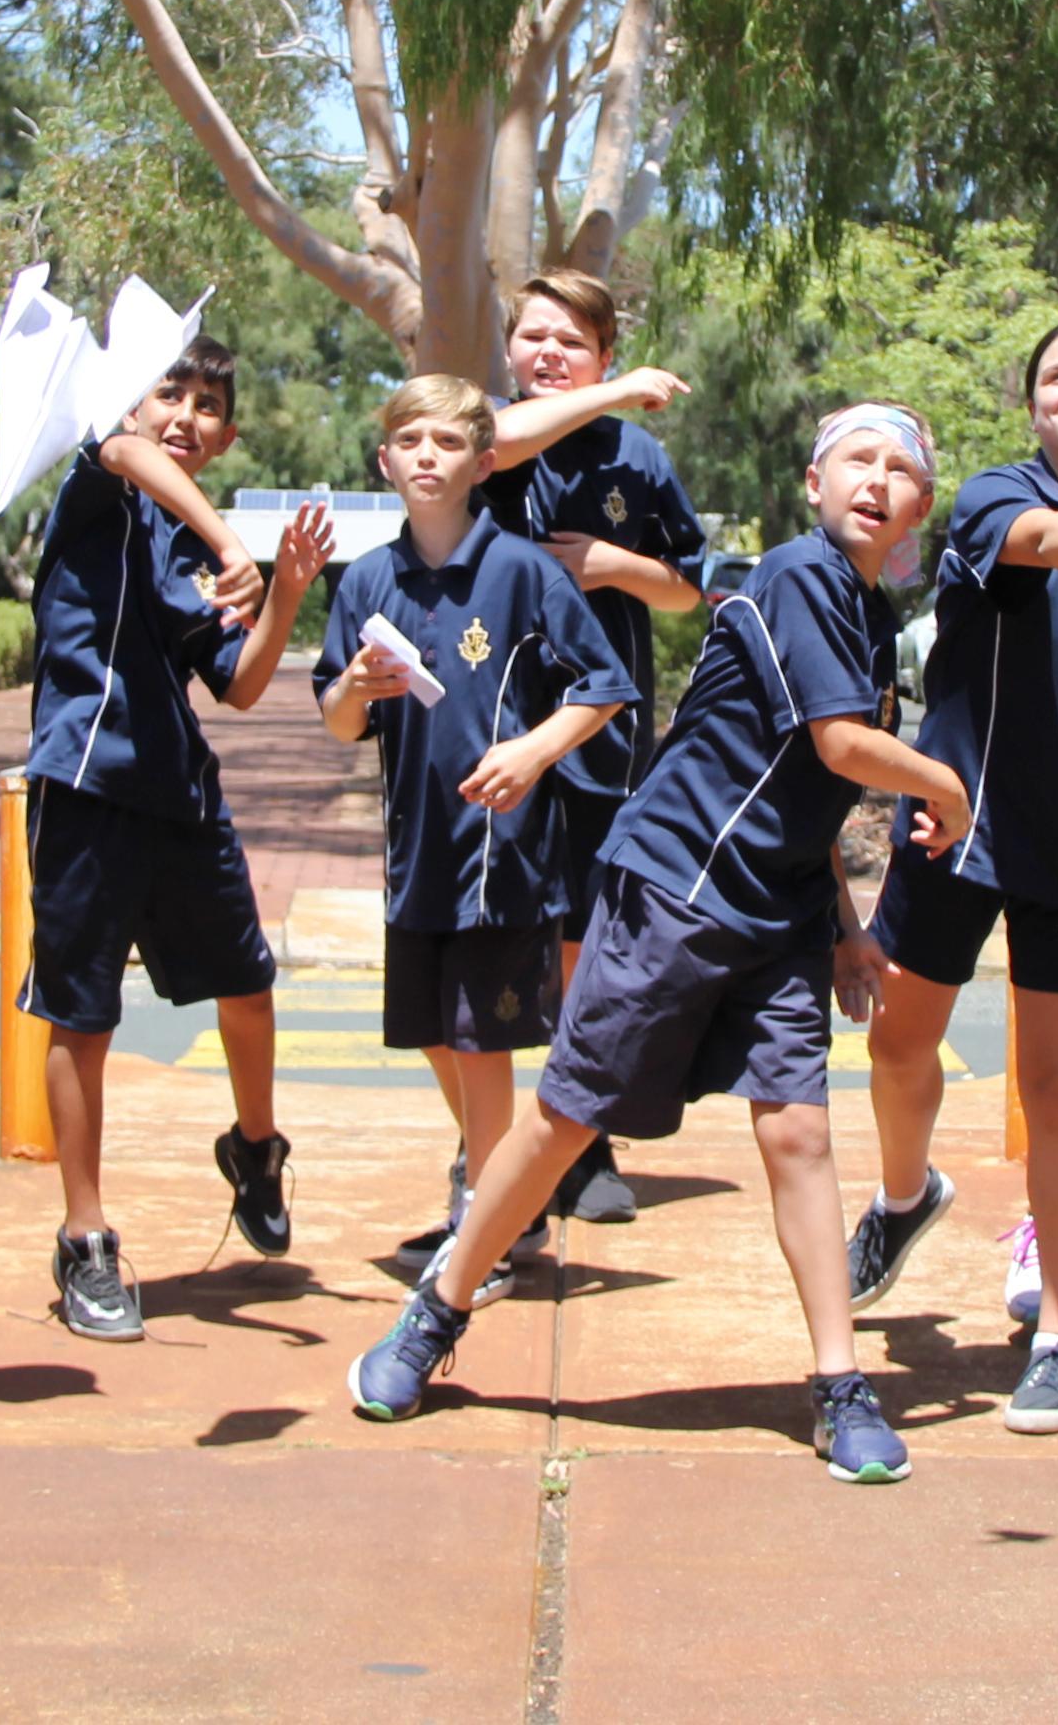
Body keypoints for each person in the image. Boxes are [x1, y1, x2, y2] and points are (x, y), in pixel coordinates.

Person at [349, 405, 970, 1484]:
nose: (876, 480)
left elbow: (802, 786)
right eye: (856, 461)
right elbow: (841, 744)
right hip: (678, 889)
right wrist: (947, 783)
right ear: (815, 482)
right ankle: (436, 1311)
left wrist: (845, 927)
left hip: (779, 914)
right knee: (566, 1118)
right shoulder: (797, 575)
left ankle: (839, 1384)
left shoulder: (868, 614)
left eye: (900, 470)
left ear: (919, 507)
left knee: (800, 1135)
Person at [850, 317, 1058, 1435]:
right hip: (952, 828)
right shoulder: (1002, 495)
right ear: (1035, 405)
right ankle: (905, 1197)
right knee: (897, 1044)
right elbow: (1039, 540)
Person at [19, 338, 331, 1341]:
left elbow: (238, 686)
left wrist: (284, 588)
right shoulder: (101, 479)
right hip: (84, 784)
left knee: (249, 986)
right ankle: (86, 1239)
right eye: (171, 393)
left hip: (180, 794)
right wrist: (233, 540)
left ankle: (254, 1148)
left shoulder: (195, 552)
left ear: (228, 436)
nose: (187, 415)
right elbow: (125, 452)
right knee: (82, 1017)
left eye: (208, 405)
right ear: (133, 404)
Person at [316, 374, 635, 1265]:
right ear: (385, 460)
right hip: (414, 856)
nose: (428, 457)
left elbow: (606, 686)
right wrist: (354, 688)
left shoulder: (523, 571)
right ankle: (509, 1199)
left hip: (500, 860)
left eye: (449, 443)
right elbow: (338, 720)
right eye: (411, 441)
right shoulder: (367, 580)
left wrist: (533, 752)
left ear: (483, 463)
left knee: (479, 1042)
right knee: (433, 1035)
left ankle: (483, 1234)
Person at [481, 270, 707, 1228]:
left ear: (605, 351)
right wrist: (609, 391)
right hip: (492, 733)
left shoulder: (637, 458)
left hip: (600, 738)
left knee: (584, 939)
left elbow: (687, 589)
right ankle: (487, 1155)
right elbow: (492, 447)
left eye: (574, 342)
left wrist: (613, 566)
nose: (550, 354)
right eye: (535, 336)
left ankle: (581, 1138)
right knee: (493, 939)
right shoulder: (484, 428)